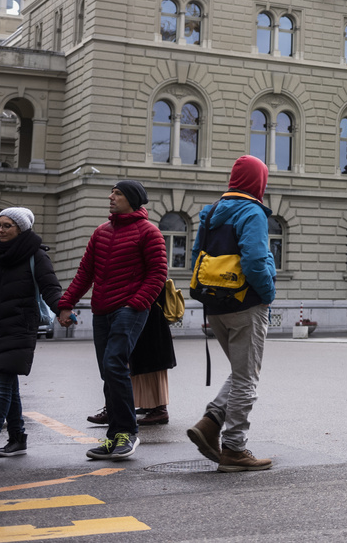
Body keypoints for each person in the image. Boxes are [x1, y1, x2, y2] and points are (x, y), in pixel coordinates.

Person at [57, 181, 167, 461]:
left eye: (117, 193)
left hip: (129, 309)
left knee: (114, 363)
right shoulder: (101, 233)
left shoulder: (149, 232)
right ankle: (113, 436)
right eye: (112, 192)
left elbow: (157, 274)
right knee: (108, 371)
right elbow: (85, 273)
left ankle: (127, 433)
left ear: (131, 199)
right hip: (101, 311)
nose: (111, 197)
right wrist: (66, 304)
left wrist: (136, 303)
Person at [185, 156, 278, 472]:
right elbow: (254, 261)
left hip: (215, 305)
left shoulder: (211, 212)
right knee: (247, 378)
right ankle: (234, 449)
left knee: (240, 373)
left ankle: (210, 423)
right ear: (258, 182)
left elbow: (198, 254)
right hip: (245, 304)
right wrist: (267, 295)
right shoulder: (252, 212)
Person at [0, 208, 63, 462]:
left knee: (1, 383)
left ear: (21, 228)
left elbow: (51, 286)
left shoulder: (36, 256)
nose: (1, 230)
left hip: (19, 327)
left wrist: (63, 309)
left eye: (7, 225)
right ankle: (17, 438)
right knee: (7, 383)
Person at [130, 284, 177, 426]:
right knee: (142, 364)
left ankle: (160, 408)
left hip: (149, 314)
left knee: (151, 364)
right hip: (147, 312)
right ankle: (151, 405)